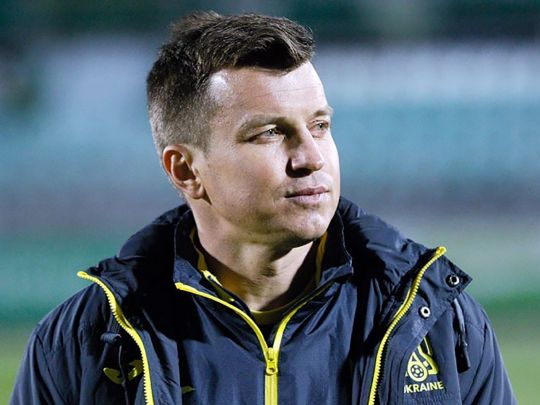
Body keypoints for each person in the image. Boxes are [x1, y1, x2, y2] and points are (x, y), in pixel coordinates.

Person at [11, 11, 515, 405]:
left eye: (320, 126)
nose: (311, 158)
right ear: (185, 170)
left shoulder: (438, 320)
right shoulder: (81, 343)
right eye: (271, 133)